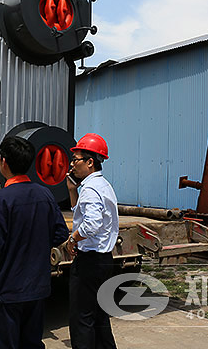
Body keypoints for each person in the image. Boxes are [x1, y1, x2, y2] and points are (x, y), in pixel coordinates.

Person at [0, 136, 69, 349]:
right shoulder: (45, 195)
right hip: (37, 288)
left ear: (3, 162)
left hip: (6, 291)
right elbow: (61, 233)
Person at [65, 133, 119, 349]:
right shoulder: (103, 185)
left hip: (90, 263)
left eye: (76, 159)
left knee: (82, 319)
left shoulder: (90, 189)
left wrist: (72, 238)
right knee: (100, 316)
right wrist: (72, 190)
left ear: (90, 162)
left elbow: (91, 225)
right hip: (104, 260)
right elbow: (81, 214)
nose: (71, 164)